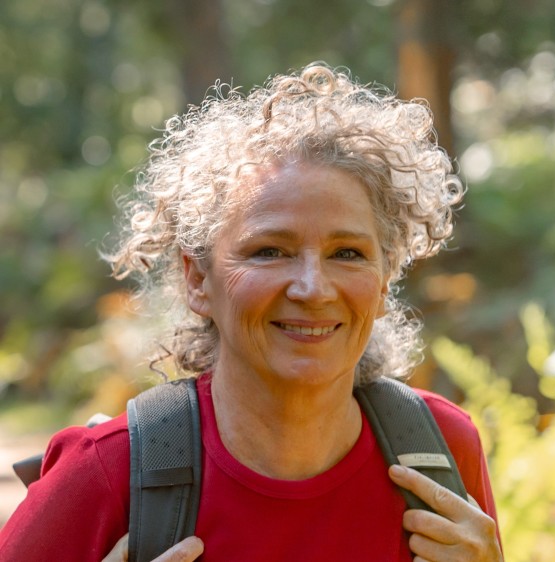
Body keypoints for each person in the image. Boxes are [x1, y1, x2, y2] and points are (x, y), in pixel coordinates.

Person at [0, 63, 503, 562]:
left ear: (386, 275)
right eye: (269, 251)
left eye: (347, 253)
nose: (313, 288)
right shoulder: (107, 472)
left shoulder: (439, 452)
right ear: (199, 279)